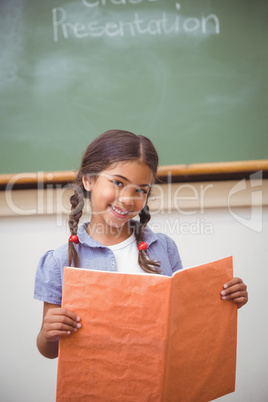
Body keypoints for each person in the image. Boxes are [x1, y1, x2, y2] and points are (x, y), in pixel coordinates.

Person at [34, 129, 248, 359]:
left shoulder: (163, 247)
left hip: (158, 387)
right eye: (117, 182)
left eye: (140, 190)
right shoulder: (59, 261)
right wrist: (48, 334)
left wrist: (224, 300)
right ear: (88, 180)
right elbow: (50, 351)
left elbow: (183, 320)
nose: (127, 198)